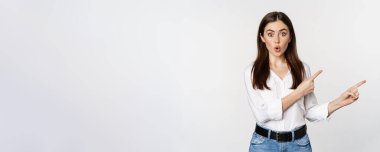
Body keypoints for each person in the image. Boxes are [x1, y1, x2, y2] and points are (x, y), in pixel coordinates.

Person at [244, 11, 366, 152]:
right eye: (270, 34)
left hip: (298, 145)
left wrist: (339, 101)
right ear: (262, 37)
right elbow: (262, 114)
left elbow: (309, 111)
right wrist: (298, 92)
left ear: (290, 37)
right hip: (264, 145)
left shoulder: (302, 69)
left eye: (283, 33)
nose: (276, 40)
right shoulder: (251, 72)